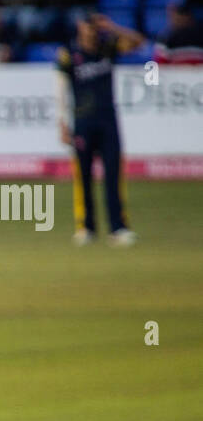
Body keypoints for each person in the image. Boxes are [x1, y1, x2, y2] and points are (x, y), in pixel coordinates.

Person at [55, 13, 144, 247]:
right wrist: (62, 123)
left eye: (94, 27)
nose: (91, 31)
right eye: (87, 26)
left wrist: (113, 27)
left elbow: (138, 42)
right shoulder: (69, 55)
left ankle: (118, 227)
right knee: (82, 177)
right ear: (79, 27)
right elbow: (61, 90)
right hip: (82, 123)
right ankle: (86, 227)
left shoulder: (108, 48)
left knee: (113, 176)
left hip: (108, 122)